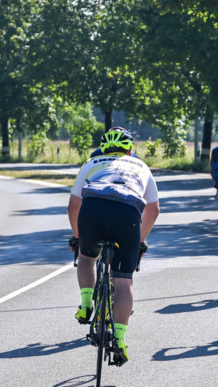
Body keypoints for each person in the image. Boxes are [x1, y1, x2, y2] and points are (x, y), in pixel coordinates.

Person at [68, 127, 160, 365]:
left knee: (87, 258)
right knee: (123, 280)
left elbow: (73, 207)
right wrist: (139, 241)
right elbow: (153, 209)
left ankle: (86, 305)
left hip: (92, 209)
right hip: (126, 214)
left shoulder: (91, 163)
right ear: (130, 149)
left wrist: (79, 239)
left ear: (103, 147)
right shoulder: (141, 166)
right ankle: (119, 340)